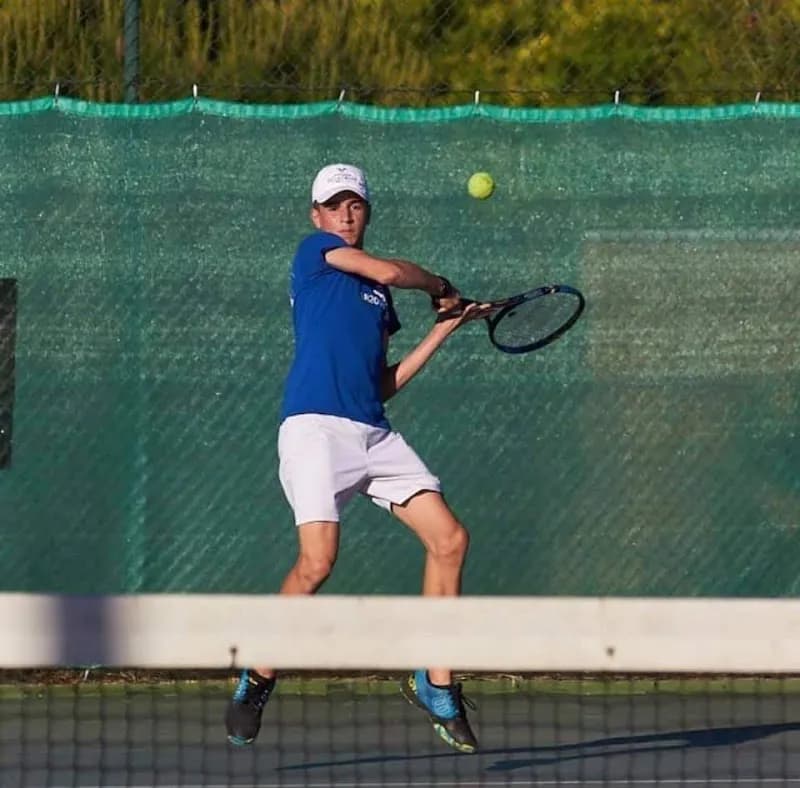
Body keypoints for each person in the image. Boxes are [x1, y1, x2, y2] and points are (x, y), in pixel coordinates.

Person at [225, 163, 488, 753]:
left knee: (450, 540)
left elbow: (381, 385)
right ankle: (258, 676)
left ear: (366, 212)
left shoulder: (379, 301)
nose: (346, 214)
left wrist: (443, 327)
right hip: (315, 430)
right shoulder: (314, 253)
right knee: (318, 562)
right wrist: (440, 284)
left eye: (356, 205)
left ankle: (436, 681)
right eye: (335, 205)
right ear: (316, 215)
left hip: (372, 433)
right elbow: (393, 270)